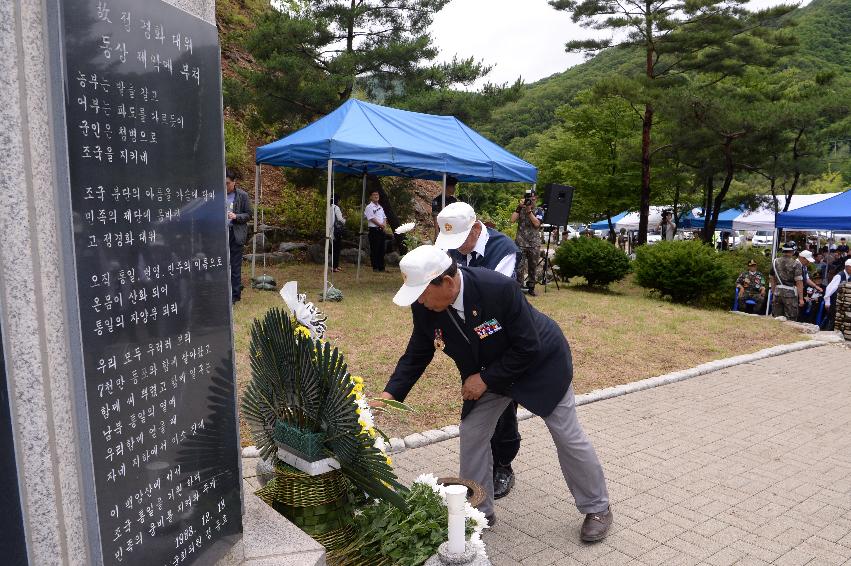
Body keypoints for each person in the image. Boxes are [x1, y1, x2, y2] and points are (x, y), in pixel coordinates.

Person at [379, 245, 612, 542]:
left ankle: (598, 508)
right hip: (488, 374)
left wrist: (485, 378)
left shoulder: (497, 288)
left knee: (567, 435)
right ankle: (479, 511)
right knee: (472, 432)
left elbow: (529, 346)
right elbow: (417, 352)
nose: (421, 302)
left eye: (423, 294)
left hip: (541, 365)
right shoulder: (425, 305)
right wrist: (389, 396)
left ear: (447, 283)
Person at [435, 202, 521, 499]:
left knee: (504, 401)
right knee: (475, 398)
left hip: (501, 336)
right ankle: (478, 465)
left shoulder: (503, 248)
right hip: (467, 339)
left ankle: (503, 464)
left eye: (459, 240)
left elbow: (494, 298)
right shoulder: (451, 249)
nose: (455, 249)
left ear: (475, 228)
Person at [226, 168, 253, 304]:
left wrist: (236, 216)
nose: (225, 186)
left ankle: (235, 295)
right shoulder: (217, 194)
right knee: (222, 265)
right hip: (220, 234)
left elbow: (249, 214)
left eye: (228, 183)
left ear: (234, 182)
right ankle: (223, 292)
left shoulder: (242, 195)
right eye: (223, 183)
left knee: (235, 266)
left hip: (235, 234)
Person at [511, 190, 544, 296]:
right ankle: (518, 287)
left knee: (533, 266)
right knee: (519, 266)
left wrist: (529, 211)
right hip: (520, 242)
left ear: (536, 198)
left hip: (534, 243)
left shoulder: (539, 210)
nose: (531, 201)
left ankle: (531, 287)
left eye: (533, 199)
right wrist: (519, 207)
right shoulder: (520, 209)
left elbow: (537, 224)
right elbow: (512, 220)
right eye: (529, 199)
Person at [770, 242, 804, 319]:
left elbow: (772, 278)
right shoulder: (796, 264)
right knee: (791, 319)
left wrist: (773, 292)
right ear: (793, 251)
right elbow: (799, 282)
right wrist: (801, 299)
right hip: (790, 294)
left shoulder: (775, 261)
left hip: (777, 293)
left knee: (776, 318)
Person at [824, 258, 851, 331]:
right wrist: (827, 302)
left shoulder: (849, 276)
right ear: (847, 267)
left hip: (843, 303)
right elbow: (829, 289)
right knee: (832, 320)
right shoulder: (839, 276)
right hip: (834, 302)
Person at [364, 189, 387, 272]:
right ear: (371, 197)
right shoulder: (369, 207)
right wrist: (380, 225)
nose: (376, 196)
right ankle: (375, 267)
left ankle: (382, 267)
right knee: (375, 249)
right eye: (374, 195)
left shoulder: (380, 207)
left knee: (382, 249)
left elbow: (384, 217)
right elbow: (371, 218)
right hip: (374, 230)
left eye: (377, 195)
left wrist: (384, 225)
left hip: (381, 230)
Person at [432, 176, 459, 241]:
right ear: (447, 187)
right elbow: (435, 216)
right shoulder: (437, 200)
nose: (454, 189)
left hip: (452, 230)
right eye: (453, 187)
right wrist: (437, 232)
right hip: (442, 230)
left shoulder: (454, 200)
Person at [332, 196, 345, 272]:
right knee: (337, 249)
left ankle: (335, 265)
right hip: (337, 231)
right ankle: (335, 267)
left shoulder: (329, 207)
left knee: (333, 248)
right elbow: (340, 219)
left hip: (331, 230)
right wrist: (345, 220)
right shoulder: (336, 208)